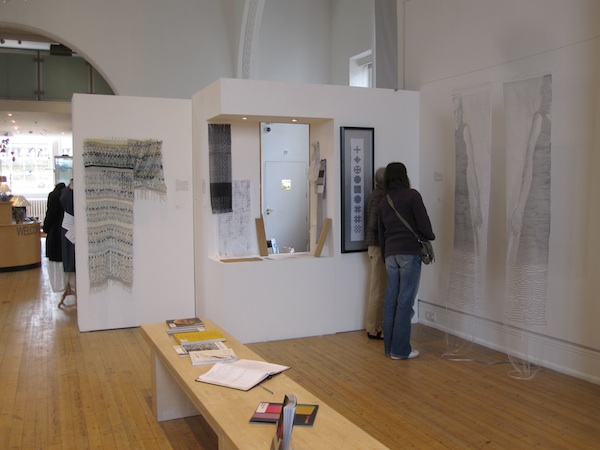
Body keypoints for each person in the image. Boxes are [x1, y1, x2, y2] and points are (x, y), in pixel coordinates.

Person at [378, 162, 435, 360]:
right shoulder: (412, 196)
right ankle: (400, 350)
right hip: (409, 253)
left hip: (390, 254)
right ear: (404, 176)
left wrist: (386, 255)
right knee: (405, 302)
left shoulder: (384, 201)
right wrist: (429, 236)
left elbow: (381, 234)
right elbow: (425, 227)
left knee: (391, 301)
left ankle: (389, 348)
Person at [365, 167, 387, 340]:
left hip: (376, 246)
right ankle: (373, 328)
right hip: (378, 246)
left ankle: (375, 326)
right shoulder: (380, 196)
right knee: (378, 289)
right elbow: (373, 223)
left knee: (378, 288)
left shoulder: (377, 194)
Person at [59, 179, 76, 307]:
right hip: (67, 227)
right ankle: (70, 287)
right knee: (69, 258)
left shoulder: (73, 191)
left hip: (73, 227)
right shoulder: (65, 191)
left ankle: (74, 288)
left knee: (73, 258)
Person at [42, 182, 66, 262]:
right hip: (65, 227)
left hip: (54, 229)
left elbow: (50, 213)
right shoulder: (67, 194)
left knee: (55, 258)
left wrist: (45, 227)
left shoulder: (53, 195)